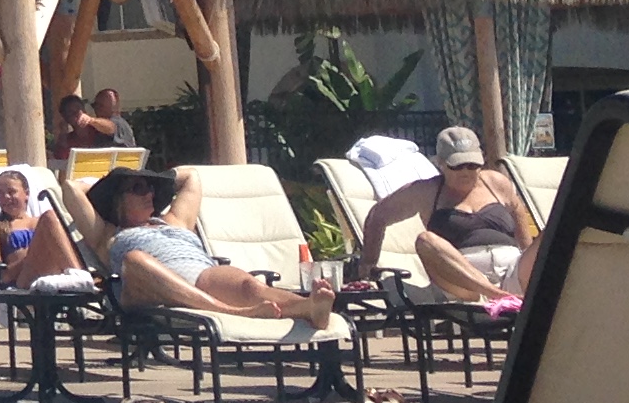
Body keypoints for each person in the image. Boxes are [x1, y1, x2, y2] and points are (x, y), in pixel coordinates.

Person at [55, 162, 335, 328]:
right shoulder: (108, 234)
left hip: (201, 277)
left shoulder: (174, 220)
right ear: (118, 199)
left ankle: (309, 308)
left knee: (251, 287)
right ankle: (233, 313)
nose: (150, 193)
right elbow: (70, 188)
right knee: (135, 259)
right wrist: (107, 184)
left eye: (152, 188)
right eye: (138, 188)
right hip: (144, 288)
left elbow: (191, 176)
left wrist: (159, 179)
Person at [351, 125, 538, 302]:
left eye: (472, 165)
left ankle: (509, 295)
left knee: (549, 233)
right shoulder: (425, 191)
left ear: (482, 159)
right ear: (440, 163)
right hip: (463, 283)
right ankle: (497, 295)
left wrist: (529, 258)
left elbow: (518, 211)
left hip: (513, 271)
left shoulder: (496, 182)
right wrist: (368, 263)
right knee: (426, 240)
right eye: (457, 166)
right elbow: (377, 216)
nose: (465, 171)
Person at [0, 166, 93, 294]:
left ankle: (79, 275)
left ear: (27, 193)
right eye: (0, 193)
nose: (5, 197)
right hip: (23, 282)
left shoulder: (43, 223)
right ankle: (80, 276)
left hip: (54, 273)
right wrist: (31, 255)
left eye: (11, 192)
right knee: (49, 217)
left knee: (53, 218)